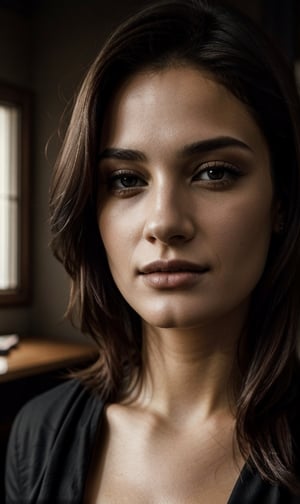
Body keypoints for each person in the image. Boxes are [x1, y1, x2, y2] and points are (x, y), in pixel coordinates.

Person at [5, 0, 300, 502]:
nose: (164, 222)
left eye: (214, 172)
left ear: (281, 201)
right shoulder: (36, 435)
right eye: (125, 180)